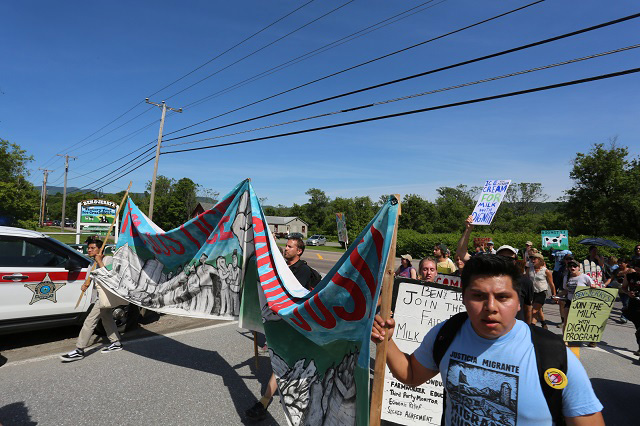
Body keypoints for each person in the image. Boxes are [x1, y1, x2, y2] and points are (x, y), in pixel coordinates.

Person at [371, 255, 604, 425]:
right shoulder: (447, 333)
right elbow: (411, 375)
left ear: (517, 300)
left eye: (502, 297)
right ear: (463, 298)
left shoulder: (552, 353)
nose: (490, 307)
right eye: (478, 296)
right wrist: (386, 341)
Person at [246, 237, 321, 421]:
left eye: (290, 246)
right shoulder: (284, 268)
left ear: (299, 251)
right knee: (286, 363)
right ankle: (268, 401)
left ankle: (264, 402)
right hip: (284, 325)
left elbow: (291, 298)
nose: (286, 249)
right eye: (286, 246)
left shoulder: (301, 271)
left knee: (285, 363)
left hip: (298, 328)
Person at [60, 238, 124, 362]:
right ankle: (116, 342)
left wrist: (100, 261)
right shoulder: (91, 263)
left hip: (106, 296)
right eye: (88, 248)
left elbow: (109, 277)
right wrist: (86, 284)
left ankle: (79, 349)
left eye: (92, 248)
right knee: (107, 318)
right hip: (100, 297)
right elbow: (90, 277)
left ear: (100, 249)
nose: (89, 250)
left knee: (90, 321)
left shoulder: (108, 260)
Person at [496, 244, 533, 325]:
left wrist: (529, 329)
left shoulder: (525, 281)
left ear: (515, 261)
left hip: (516, 330)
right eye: (501, 258)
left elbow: (528, 308)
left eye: (509, 259)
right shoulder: (486, 280)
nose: (505, 261)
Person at [558, 260, 595, 334]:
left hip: (582, 303)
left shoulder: (584, 277)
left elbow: (594, 286)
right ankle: (565, 339)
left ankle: (591, 339)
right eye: (570, 266)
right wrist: (557, 295)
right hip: (570, 301)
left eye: (575, 266)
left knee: (584, 322)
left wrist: (593, 286)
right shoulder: (566, 277)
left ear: (578, 268)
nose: (572, 268)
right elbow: (566, 290)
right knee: (567, 321)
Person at [528, 252, 556, 330]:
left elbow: (551, 284)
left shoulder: (546, 271)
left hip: (542, 293)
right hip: (532, 293)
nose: (532, 260)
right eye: (532, 259)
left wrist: (554, 295)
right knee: (538, 310)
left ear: (540, 260)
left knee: (534, 311)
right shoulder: (529, 269)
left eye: (535, 259)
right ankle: (544, 324)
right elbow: (526, 280)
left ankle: (532, 327)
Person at [621, 259, 640, 360]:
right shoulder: (629, 276)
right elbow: (624, 287)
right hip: (634, 306)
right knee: (638, 329)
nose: (638, 273)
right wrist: (628, 293)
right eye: (636, 270)